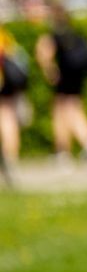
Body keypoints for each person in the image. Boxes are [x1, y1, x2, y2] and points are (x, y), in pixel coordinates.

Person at [36, 5, 87, 167]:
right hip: (76, 79)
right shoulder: (74, 35)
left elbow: (44, 54)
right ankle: (84, 146)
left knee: (63, 113)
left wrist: (49, 71)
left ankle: (70, 149)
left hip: (64, 80)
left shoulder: (53, 36)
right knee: (74, 111)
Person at [0, 24, 27, 186]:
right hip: (8, 83)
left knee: (6, 118)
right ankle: (11, 159)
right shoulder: (4, 34)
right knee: (9, 119)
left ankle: (9, 160)